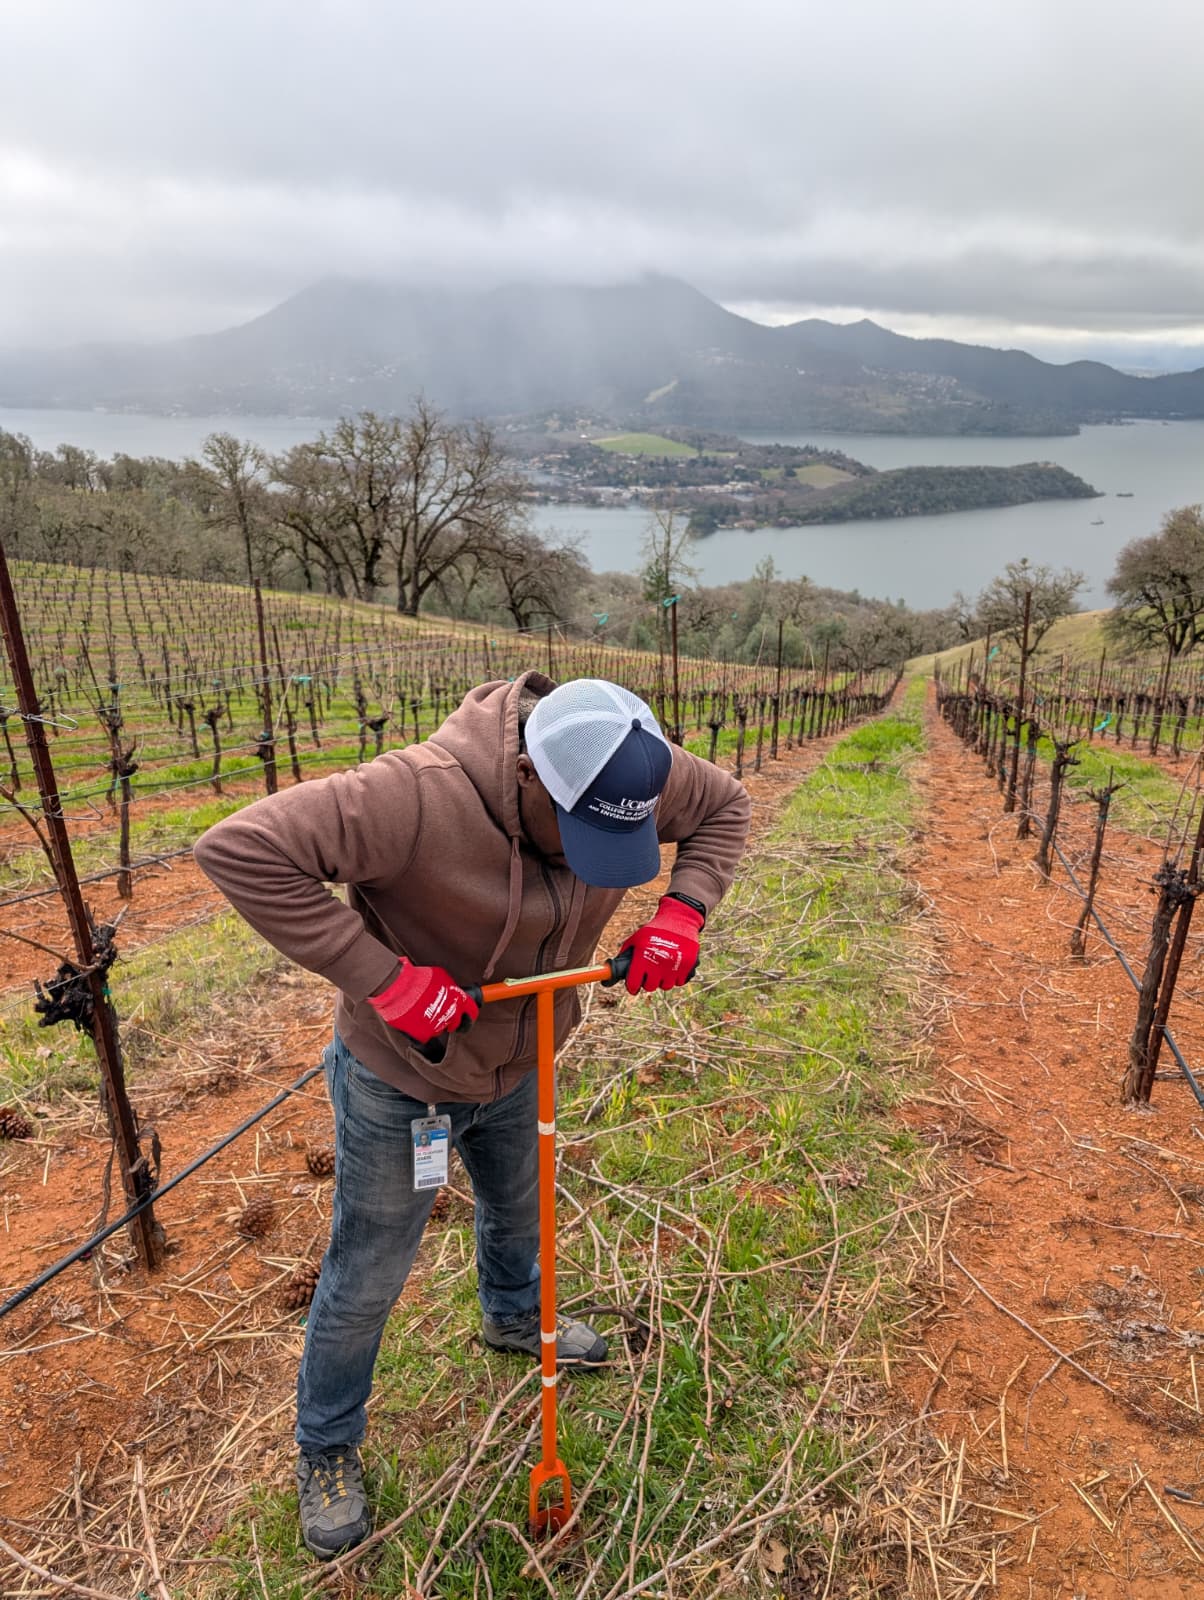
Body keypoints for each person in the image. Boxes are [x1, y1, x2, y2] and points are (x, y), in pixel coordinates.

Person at [194, 672, 750, 1559]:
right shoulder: (408, 797)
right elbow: (239, 849)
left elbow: (724, 804)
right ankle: (327, 1445)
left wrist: (684, 914)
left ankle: (513, 1316)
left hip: (522, 1058)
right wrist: (386, 981)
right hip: (402, 1080)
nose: (589, 855)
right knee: (369, 1270)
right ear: (530, 775)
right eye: (581, 834)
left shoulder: (623, 760)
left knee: (520, 1212)